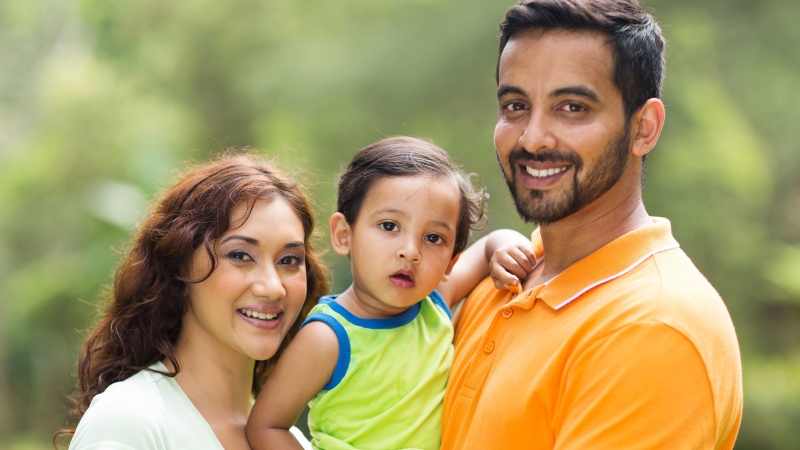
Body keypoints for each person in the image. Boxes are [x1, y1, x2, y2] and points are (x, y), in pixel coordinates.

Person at [440, 1, 744, 449]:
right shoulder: (503, 279)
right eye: (515, 105)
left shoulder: (653, 327)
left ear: (644, 128)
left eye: (572, 107)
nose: (532, 137)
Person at [245, 136, 533, 450]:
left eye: (433, 237)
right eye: (389, 226)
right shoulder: (328, 337)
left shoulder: (435, 301)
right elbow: (266, 426)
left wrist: (505, 247)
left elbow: (490, 245)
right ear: (344, 236)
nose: (410, 252)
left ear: (451, 262)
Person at [62, 154, 328, 449]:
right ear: (179, 264)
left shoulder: (295, 441)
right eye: (240, 255)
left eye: (289, 260)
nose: (273, 287)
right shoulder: (131, 421)